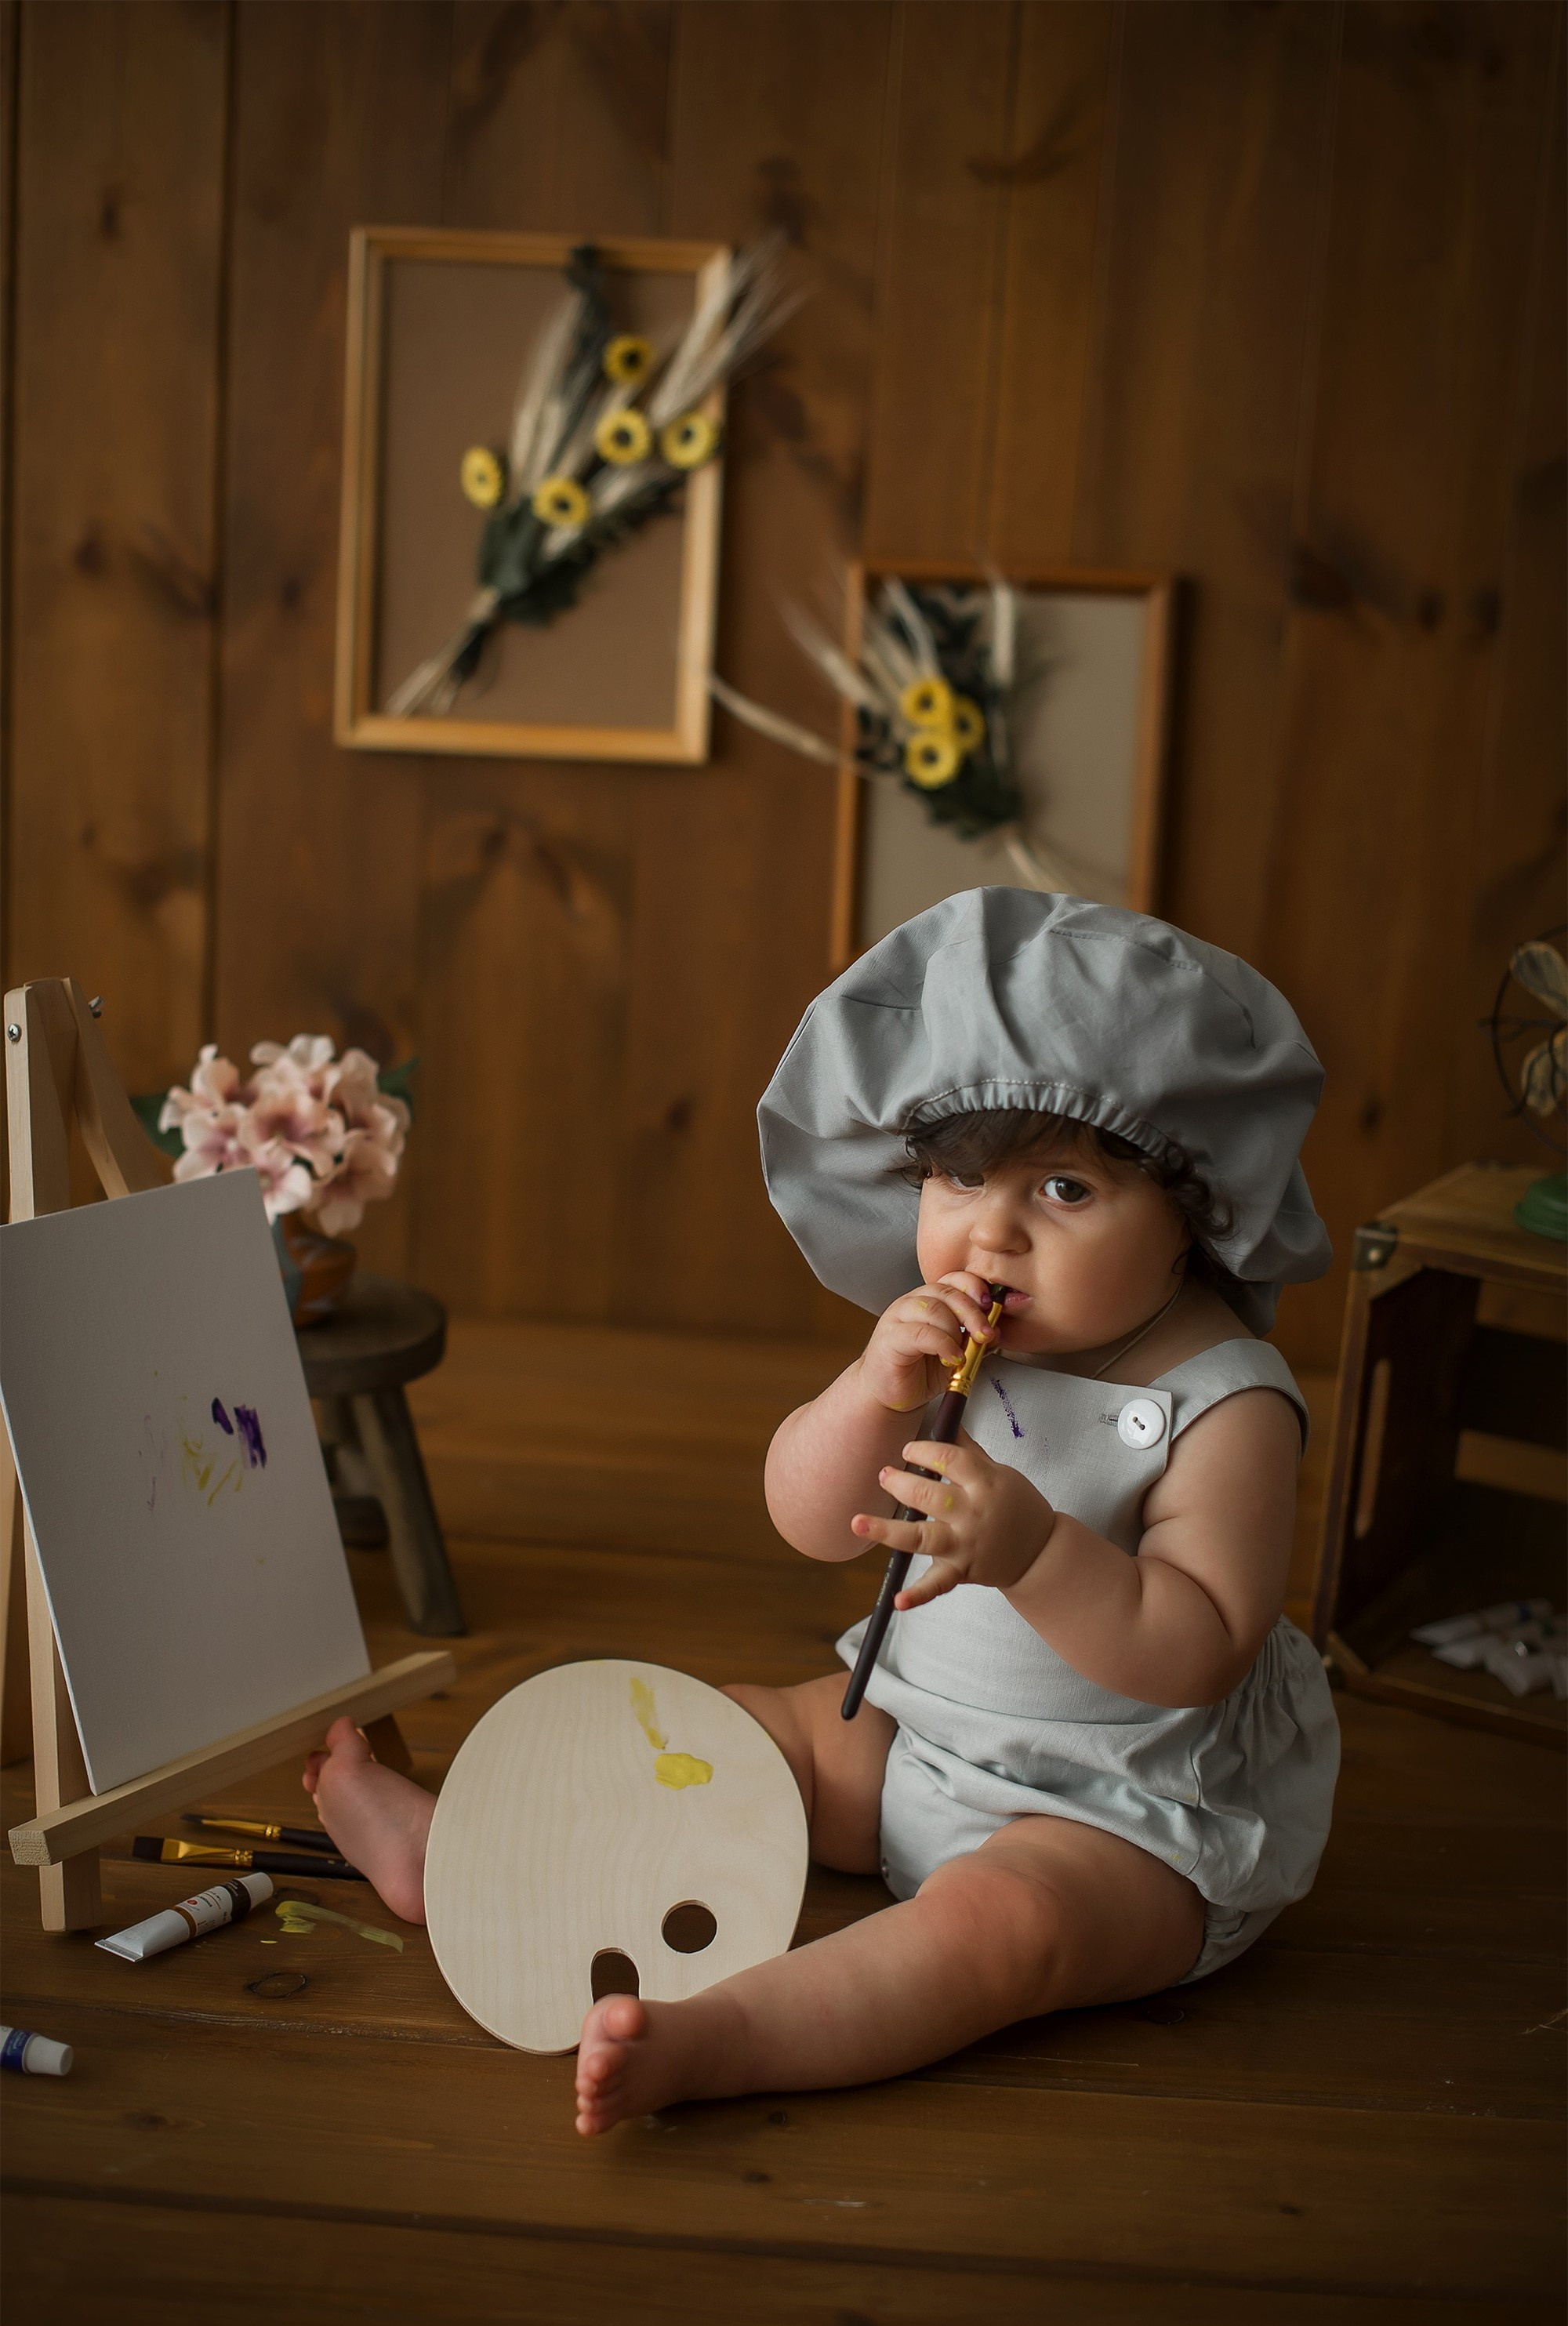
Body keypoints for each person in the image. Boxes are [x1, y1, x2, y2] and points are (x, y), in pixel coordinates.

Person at [304, 891, 1341, 2138]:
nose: (992, 1233)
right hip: (902, 1731)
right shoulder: (953, 1342)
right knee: (731, 1734)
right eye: (960, 1178)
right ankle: (466, 1857)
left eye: (1065, 1189)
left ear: (1195, 1209)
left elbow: (1200, 1644)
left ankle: (729, 2036)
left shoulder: (1224, 1402)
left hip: (1115, 1813)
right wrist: (866, 1392)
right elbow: (807, 1519)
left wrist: (1033, 1551)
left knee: (996, 1930)